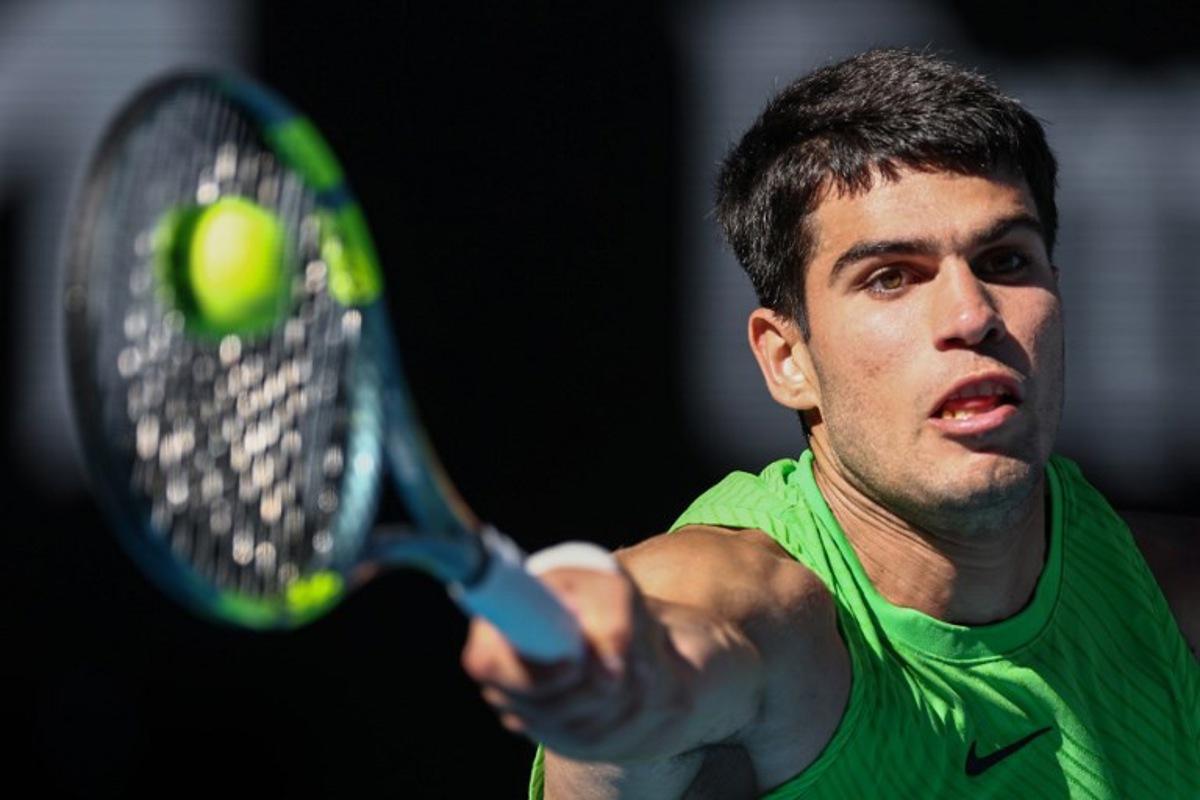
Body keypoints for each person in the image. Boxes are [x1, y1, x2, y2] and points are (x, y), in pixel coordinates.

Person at [461, 48, 1200, 799]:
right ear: (788, 360)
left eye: (1006, 261)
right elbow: (702, 622)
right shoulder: (775, 605)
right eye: (890, 278)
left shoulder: (1130, 575)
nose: (973, 315)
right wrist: (621, 664)